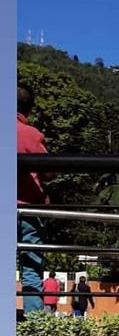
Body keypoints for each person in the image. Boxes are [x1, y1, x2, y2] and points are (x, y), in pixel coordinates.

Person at [17, 83, 52, 314]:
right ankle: (34, 321)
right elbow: (49, 171)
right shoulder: (31, 134)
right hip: (28, 209)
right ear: (29, 108)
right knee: (31, 266)